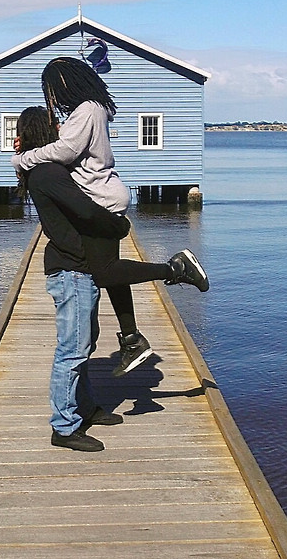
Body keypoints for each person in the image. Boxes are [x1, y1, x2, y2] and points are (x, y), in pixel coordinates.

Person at [14, 105, 209, 452]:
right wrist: (118, 224)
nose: (61, 128)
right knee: (71, 352)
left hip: (78, 267)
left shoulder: (47, 170)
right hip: (71, 270)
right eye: (55, 124)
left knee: (83, 347)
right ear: (44, 131)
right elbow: (87, 209)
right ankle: (63, 427)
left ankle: (85, 409)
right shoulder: (48, 174)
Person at [12, 57, 208, 376]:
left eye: (51, 90)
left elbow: (65, 152)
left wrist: (23, 158)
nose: (51, 98)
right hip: (104, 191)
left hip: (98, 197)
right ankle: (131, 338)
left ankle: (176, 268)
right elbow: (65, 144)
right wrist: (29, 148)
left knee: (104, 273)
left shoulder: (87, 109)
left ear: (64, 84)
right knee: (112, 272)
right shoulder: (92, 110)